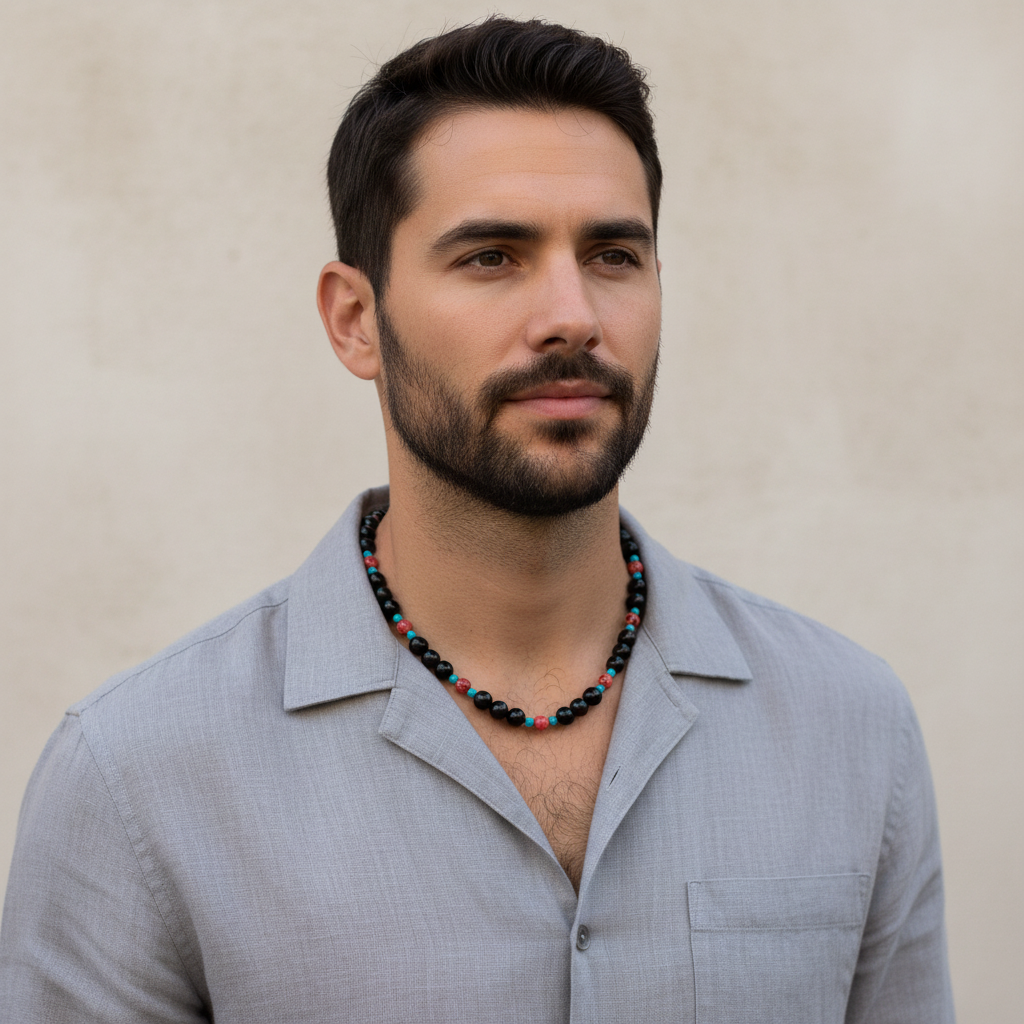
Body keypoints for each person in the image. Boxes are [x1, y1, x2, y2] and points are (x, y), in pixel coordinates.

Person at [0, 17, 954, 1023]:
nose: (571, 313)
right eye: (492, 256)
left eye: (614, 254)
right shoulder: (138, 776)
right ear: (353, 320)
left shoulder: (849, 726)